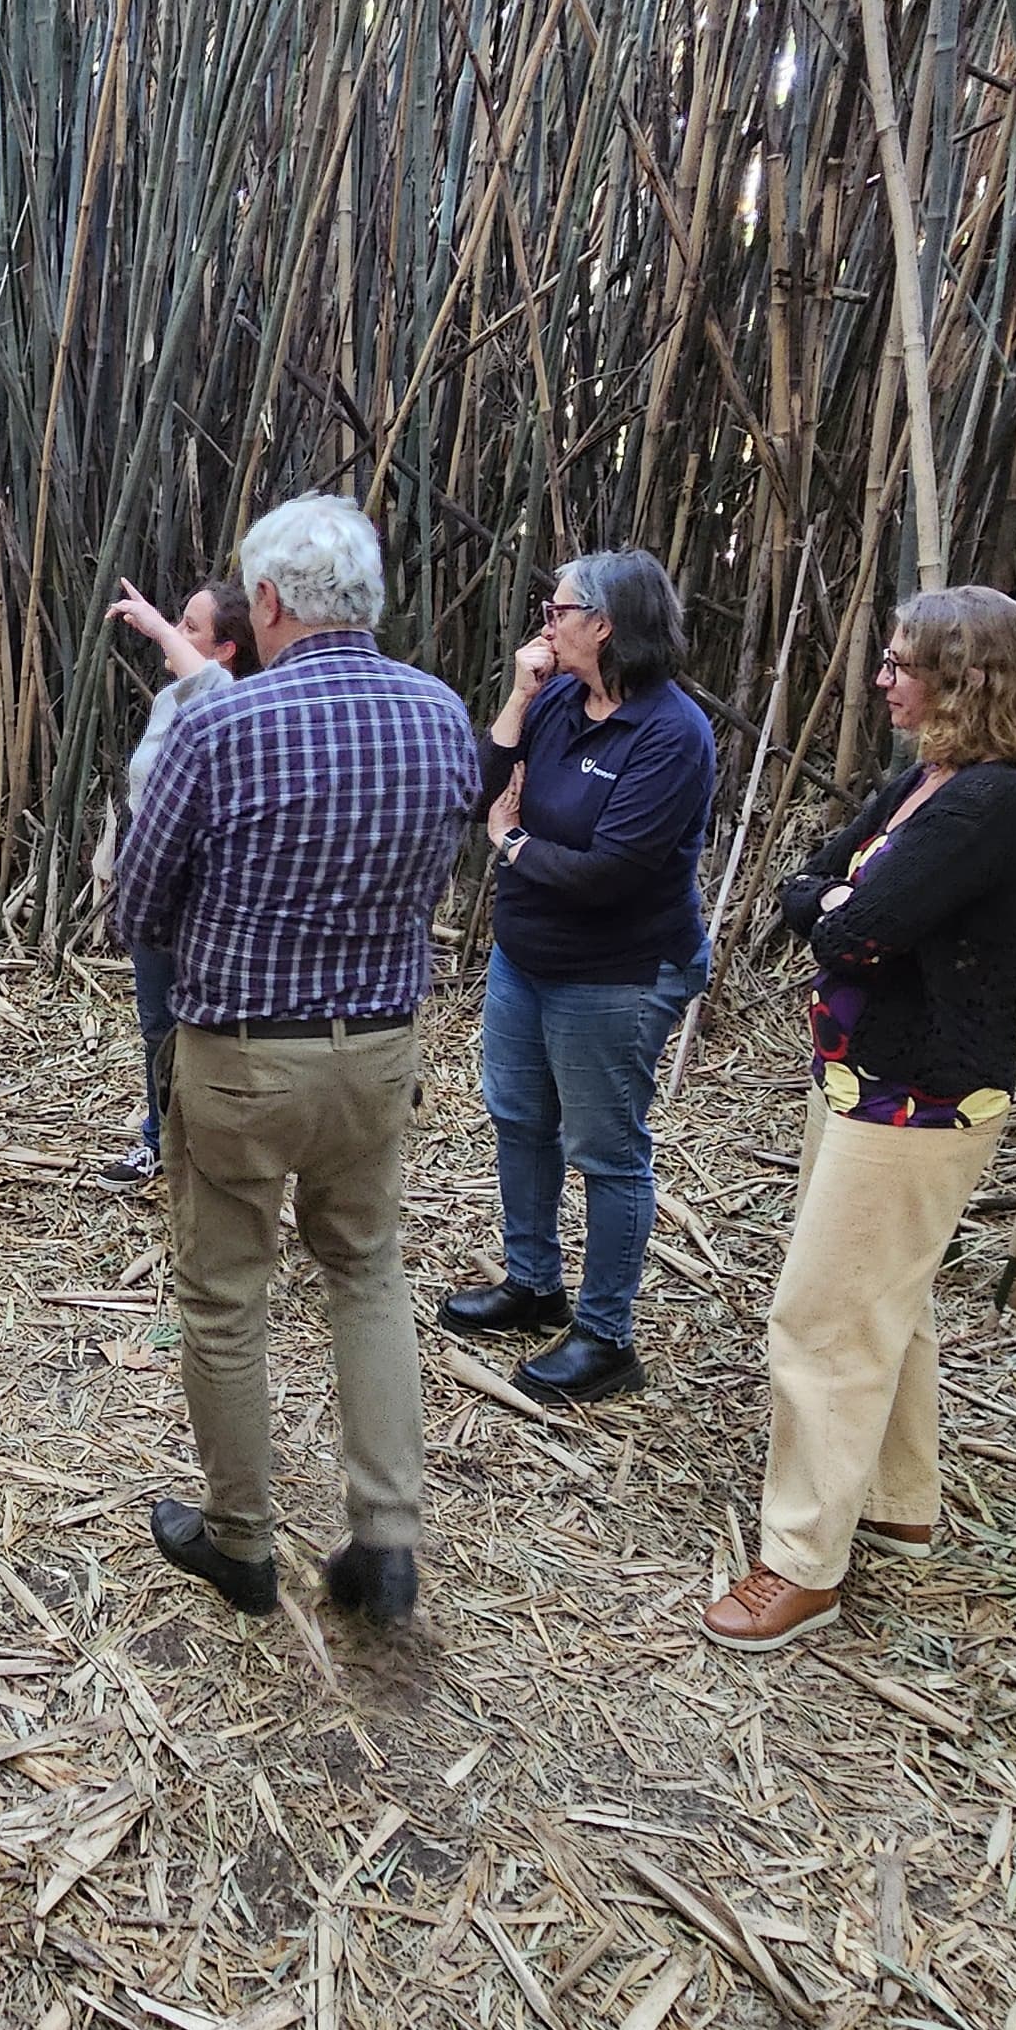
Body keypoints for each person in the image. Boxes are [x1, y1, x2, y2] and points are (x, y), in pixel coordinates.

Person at [114, 495, 479, 1628]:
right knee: (366, 1271)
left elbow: (140, 903)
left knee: (226, 1296)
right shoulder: (440, 715)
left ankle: (241, 1541)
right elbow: (439, 869)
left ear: (266, 600)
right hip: (377, 1051)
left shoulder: (223, 725)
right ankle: (388, 1539)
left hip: (240, 1060)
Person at [707, 585, 1016, 1654]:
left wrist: (832, 910)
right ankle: (898, 1500)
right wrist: (830, 905)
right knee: (885, 1303)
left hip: (922, 1095)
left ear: (968, 679)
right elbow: (816, 883)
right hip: (861, 1079)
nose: (882, 679)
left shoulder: (989, 805)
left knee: (824, 1319)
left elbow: (849, 930)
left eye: (902, 664)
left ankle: (801, 1563)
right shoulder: (924, 781)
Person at [437, 550, 719, 1404]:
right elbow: (475, 795)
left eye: (557, 611)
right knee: (520, 1118)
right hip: (528, 955)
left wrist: (514, 843)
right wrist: (518, 699)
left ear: (603, 625)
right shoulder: (559, 699)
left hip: (618, 970)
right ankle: (533, 1282)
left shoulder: (671, 735)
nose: (546, 624)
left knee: (605, 1149)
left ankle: (606, 1336)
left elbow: (609, 871)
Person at [93, 576, 249, 1189]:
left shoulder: (230, 698)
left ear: (226, 649)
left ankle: (213, 1148)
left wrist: (156, 626)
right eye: (179, 623)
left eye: (191, 627)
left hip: (201, 885)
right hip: (153, 874)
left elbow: (209, 686)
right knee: (157, 1020)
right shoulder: (174, 698)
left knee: (209, 1026)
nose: (177, 633)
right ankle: (159, 1139)